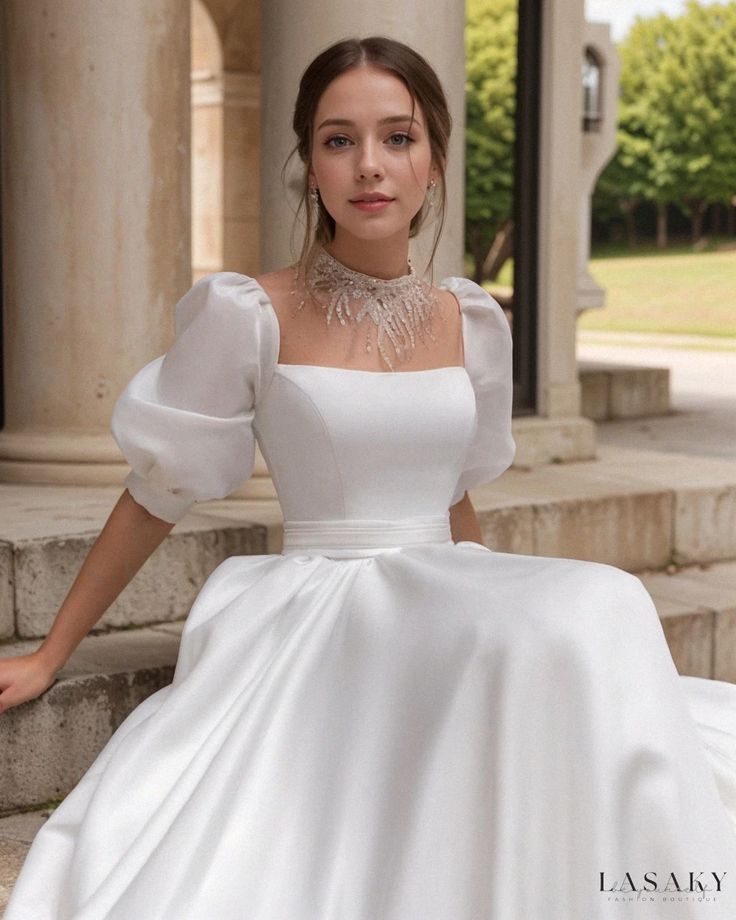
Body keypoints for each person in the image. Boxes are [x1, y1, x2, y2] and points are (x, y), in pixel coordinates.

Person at [2, 34, 736, 920]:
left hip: (439, 582)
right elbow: (159, 488)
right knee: (599, 606)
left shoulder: (468, 318)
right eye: (338, 140)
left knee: (592, 609)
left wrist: (497, 593)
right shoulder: (249, 312)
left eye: (398, 137)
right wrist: (51, 653)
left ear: (433, 162)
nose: (369, 166)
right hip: (321, 601)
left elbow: (454, 487)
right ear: (309, 166)